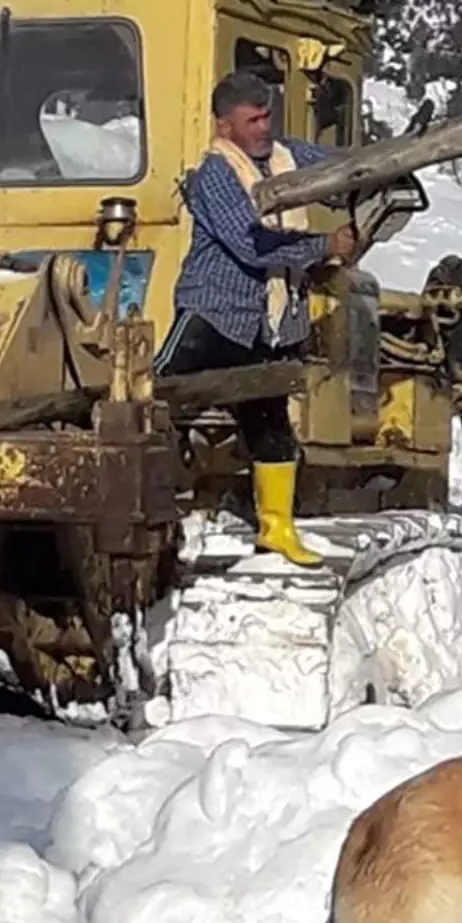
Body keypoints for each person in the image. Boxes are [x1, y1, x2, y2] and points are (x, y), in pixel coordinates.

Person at [157, 69, 357, 568]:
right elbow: (252, 245)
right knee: (158, 406)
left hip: (270, 323)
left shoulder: (289, 156)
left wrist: (388, 165)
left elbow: (344, 166)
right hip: (214, 313)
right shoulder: (214, 176)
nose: (264, 127)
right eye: (253, 119)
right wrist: (324, 246)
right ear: (225, 127)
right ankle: (150, 516)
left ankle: (276, 529)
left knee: (269, 424)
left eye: (267, 115)